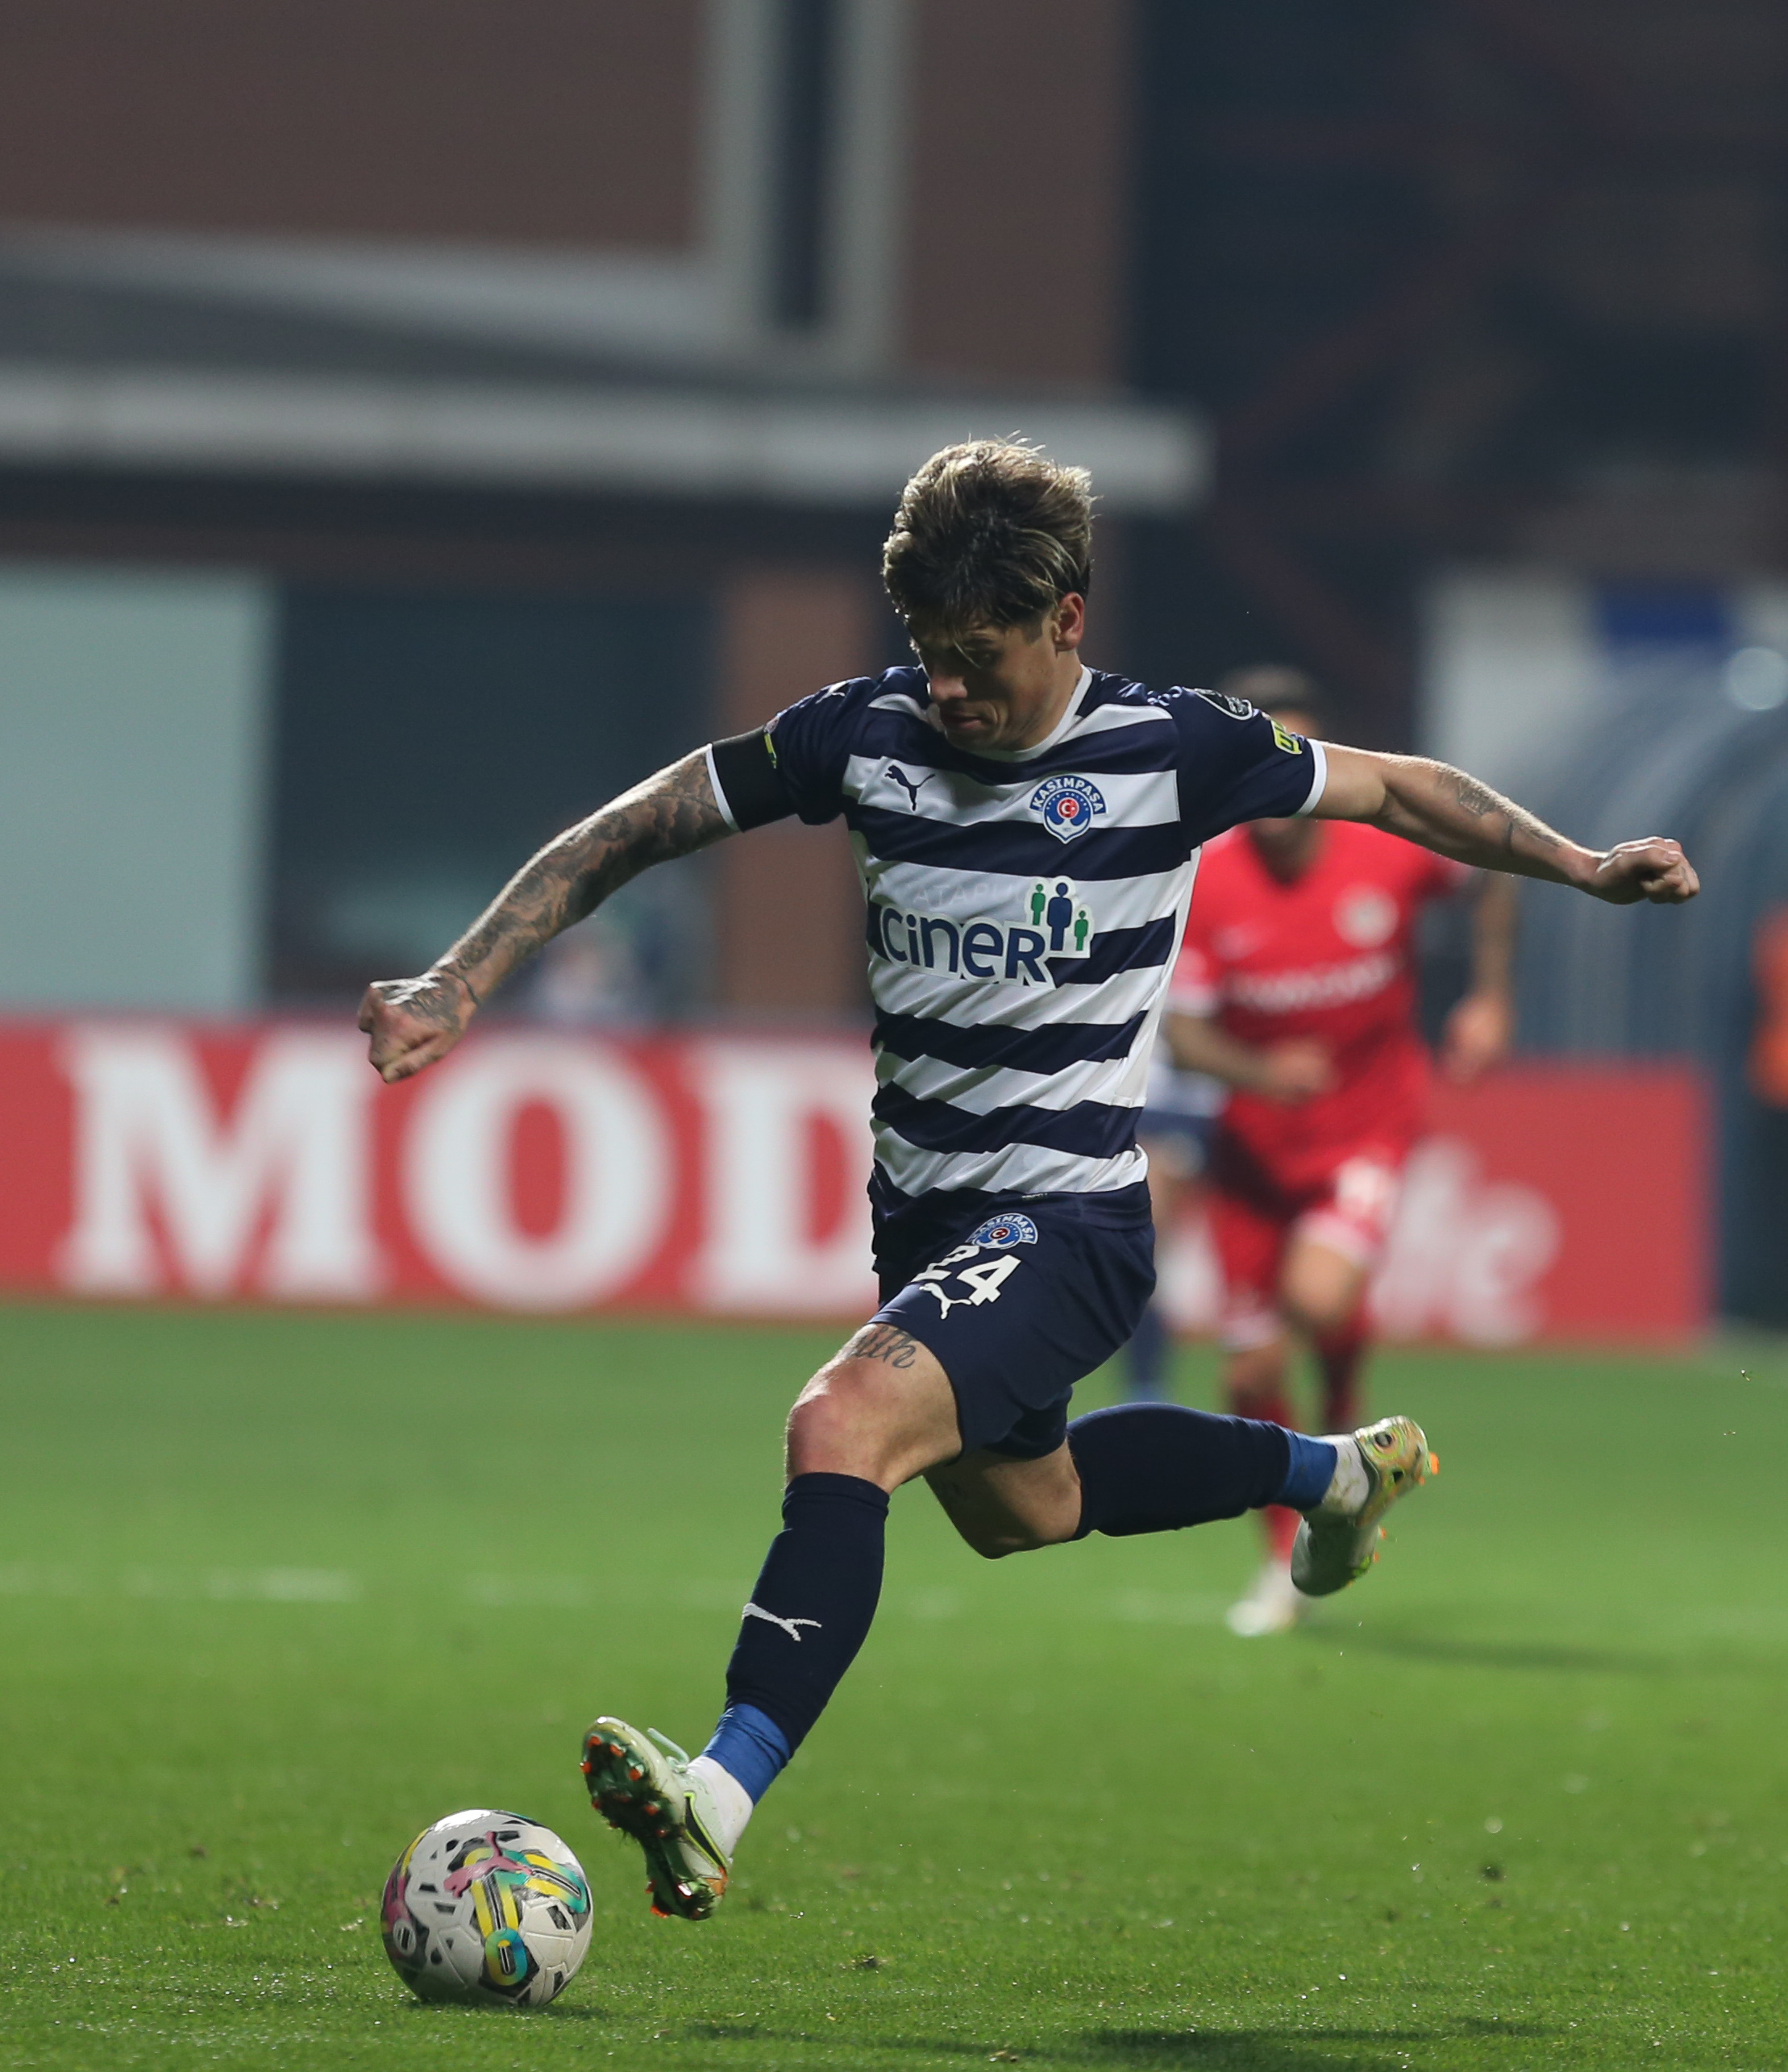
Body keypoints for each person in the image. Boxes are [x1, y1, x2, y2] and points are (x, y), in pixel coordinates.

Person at [358, 441, 1698, 1924]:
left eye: (977, 656)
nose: (946, 687)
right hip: (926, 1221)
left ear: (1064, 620)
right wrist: (457, 979)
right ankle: (1331, 1474)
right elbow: (638, 823)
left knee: (840, 1422)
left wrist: (1581, 865)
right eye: (928, 650)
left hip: (1067, 1219)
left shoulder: (1172, 747)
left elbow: (1394, 790)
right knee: (1025, 1508)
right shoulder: (859, 732)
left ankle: (716, 1792)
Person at [1161, 668, 1519, 1637]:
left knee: (1318, 1298)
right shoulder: (1206, 880)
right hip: (1252, 1159)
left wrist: (1489, 998)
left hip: (1366, 1129)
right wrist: (1256, 1069)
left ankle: (1351, 1434)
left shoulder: (1385, 849)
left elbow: (1491, 866)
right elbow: (1182, 1036)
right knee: (1247, 1379)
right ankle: (1284, 1559)